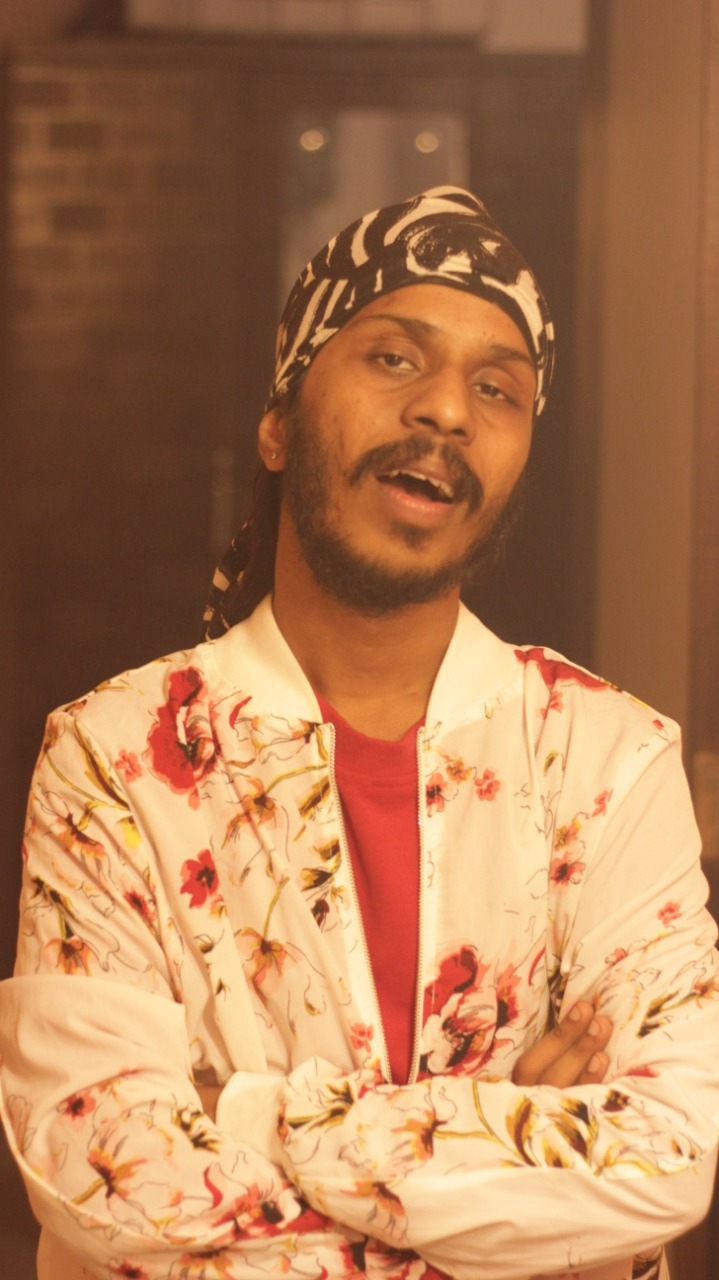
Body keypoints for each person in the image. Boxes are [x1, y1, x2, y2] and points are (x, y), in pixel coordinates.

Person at [0, 186, 717, 1280]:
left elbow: (668, 1156)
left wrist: (242, 1112)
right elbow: (107, 1180)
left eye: (497, 388)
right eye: (393, 357)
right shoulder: (113, 757)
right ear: (279, 419)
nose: (447, 411)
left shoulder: (608, 760)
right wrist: (514, 1189)